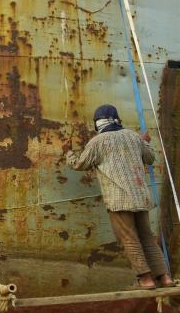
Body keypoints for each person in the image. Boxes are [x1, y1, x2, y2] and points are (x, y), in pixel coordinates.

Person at [66, 104, 174, 290]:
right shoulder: (133, 137)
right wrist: (145, 141)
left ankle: (146, 279)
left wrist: (69, 153)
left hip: (118, 200)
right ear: (117, 119)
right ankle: (164, 277)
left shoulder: (97, 142)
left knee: (129, 238)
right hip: (140, 196)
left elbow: (79, 165)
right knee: (147, 237)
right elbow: (150, 158)